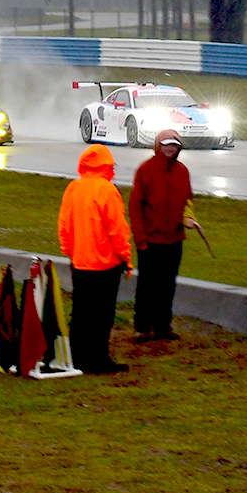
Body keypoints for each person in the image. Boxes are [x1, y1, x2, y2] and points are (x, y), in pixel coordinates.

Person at [58, 144, 133, 374]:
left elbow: (64, 224)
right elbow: (117, 229)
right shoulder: (107, 190)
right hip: (105, 264)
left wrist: (70, 250)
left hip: (80, 261)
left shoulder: (74, 188)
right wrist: (126, 257)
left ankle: (78, 358)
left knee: (81, 313)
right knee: (102, 315)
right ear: (108, 165)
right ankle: (99, 359)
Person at [128, 129, 198, 343]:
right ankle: (142, 327)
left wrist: (188, 219)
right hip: (150, 240)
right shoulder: (146, 170)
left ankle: (163, 326)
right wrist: (140, 238)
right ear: (158, 145)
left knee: (167, 285)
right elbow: (135, 206)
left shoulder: (182, 171)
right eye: (166, 144)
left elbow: (187, 200)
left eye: (174, 145)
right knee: (147, 285)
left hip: (174, 240)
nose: (170, 148)